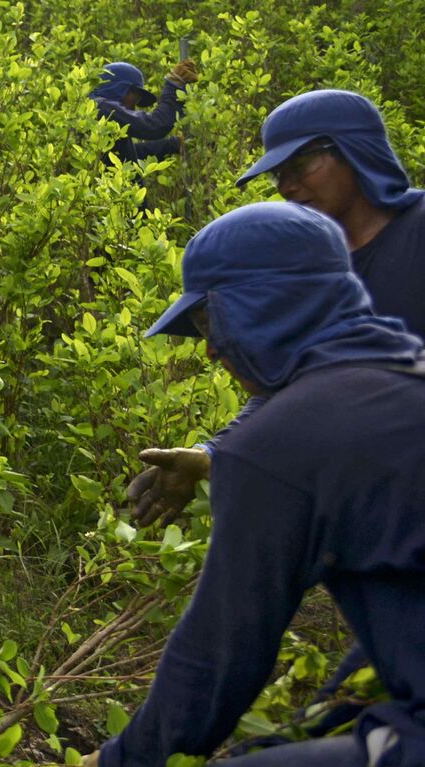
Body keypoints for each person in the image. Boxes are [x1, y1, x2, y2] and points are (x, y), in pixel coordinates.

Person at [94, 201, 425, 767]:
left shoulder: (281, 442)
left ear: (263, 307)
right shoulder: (402, 374)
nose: (210, 350)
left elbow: (220, 655)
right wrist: (326, 712)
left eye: (209, 322)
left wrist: (120, 761)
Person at [126, 90, 425, 529]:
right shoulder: (305, 266)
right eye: (278, 174)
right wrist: (215, 454)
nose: (286, 186)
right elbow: (286, 380)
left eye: (300, 165)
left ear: (354, 151)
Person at [90, 60, 197, 163]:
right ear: (120, 89)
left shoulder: (95, 110)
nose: (133, 108)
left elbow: (125, 156)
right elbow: (154, 126)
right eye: (135, 98)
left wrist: (173, 144)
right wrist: (174, 85)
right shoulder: (101, 108)